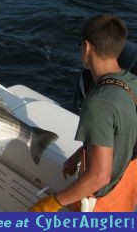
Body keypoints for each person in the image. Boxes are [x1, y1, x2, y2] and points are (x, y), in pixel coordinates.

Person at [29, 14, 137, 212]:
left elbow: (99, 176)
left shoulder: (98, 102)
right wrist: (82, 152)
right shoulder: (130, 82)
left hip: (100, 201)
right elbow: (123, 131)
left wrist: (50, 204)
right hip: (126, 188)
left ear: (86, 47)